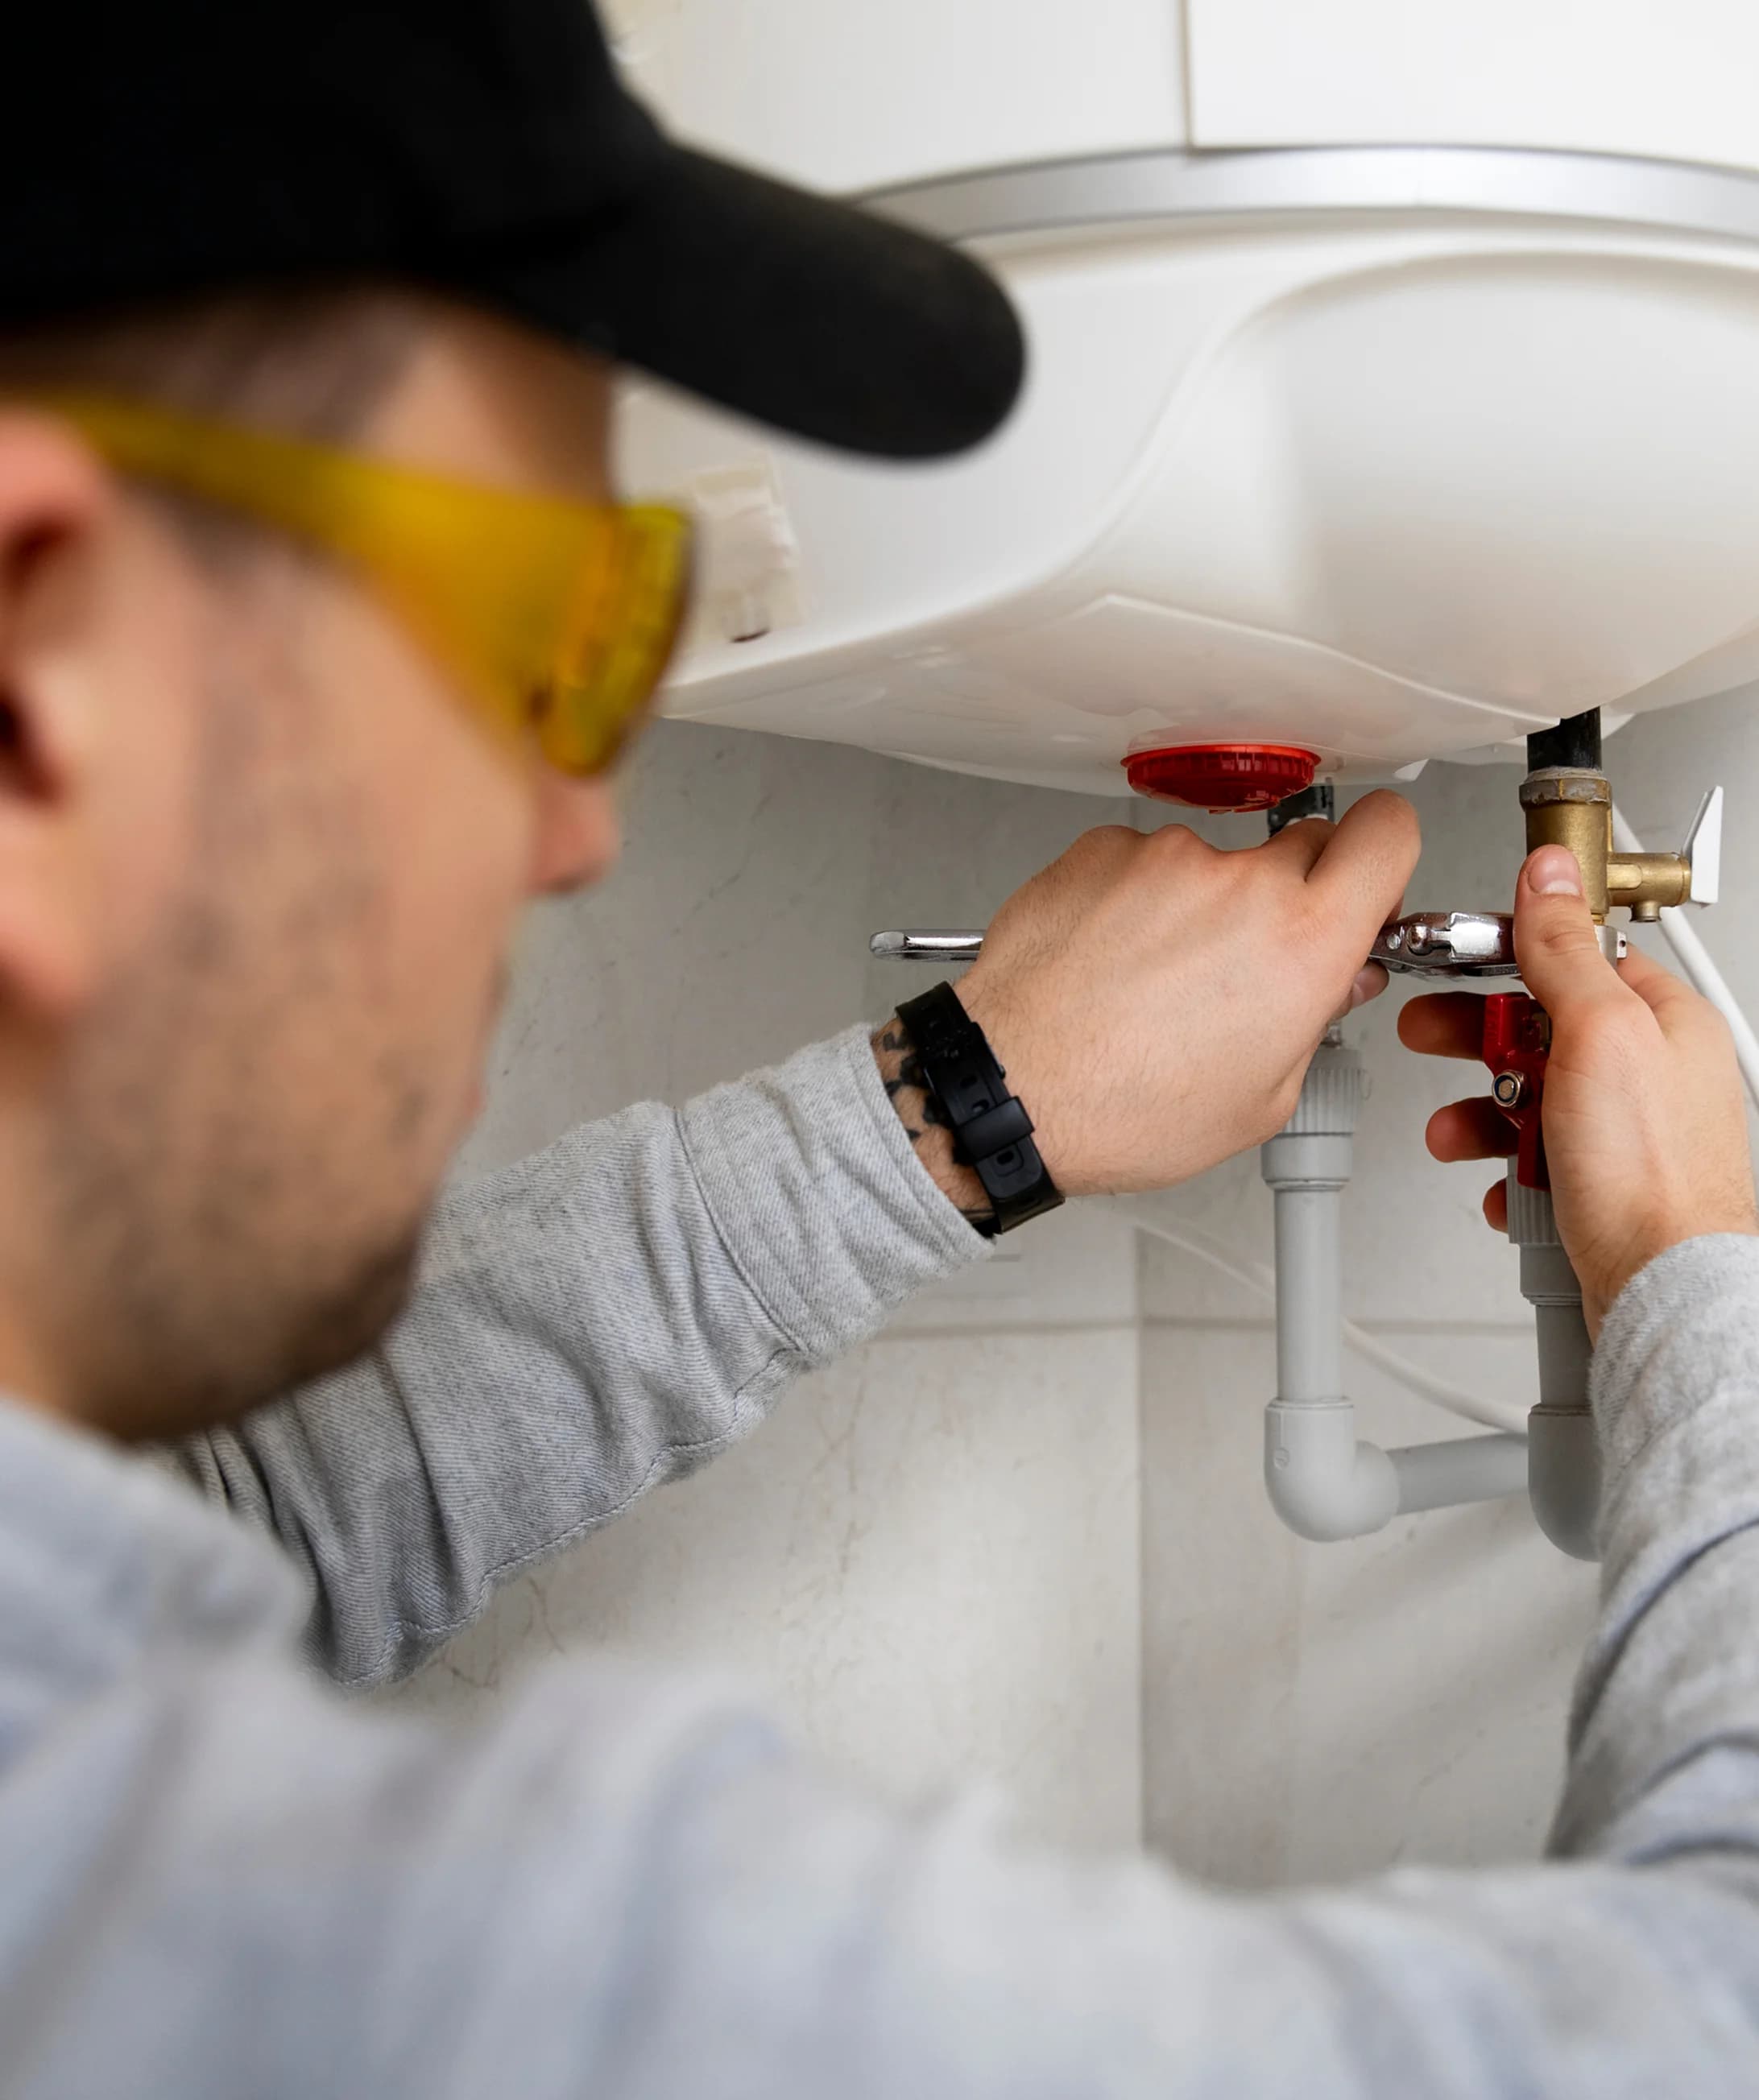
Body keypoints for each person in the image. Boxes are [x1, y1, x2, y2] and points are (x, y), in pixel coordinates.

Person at [1, 1, 1757, 2094]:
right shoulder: (353, 1972)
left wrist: (961, 1101)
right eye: (548, 645)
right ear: (42, 668)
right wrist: (1695, 1288)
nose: (579, 829)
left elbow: (259, 1530)